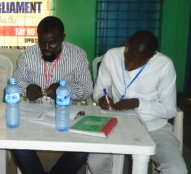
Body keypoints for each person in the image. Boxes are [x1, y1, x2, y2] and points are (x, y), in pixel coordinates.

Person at [88, 30, 188, 174]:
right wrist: (101, 98)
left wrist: (138, 103)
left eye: (138, 63)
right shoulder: (111, 56)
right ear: (126, 44)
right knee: (95, 161)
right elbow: (98, 91)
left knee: (176, 170)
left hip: (153, 127)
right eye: (128, 59)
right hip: (116, 123)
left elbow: (170, 109)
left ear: (151, 56)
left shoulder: (164, 65)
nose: (130, 65)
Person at [11, 16, 93, 174]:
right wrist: (26, 87)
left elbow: (87, 89)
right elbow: (17, 82)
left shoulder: (77, 55)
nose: (46, 47)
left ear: (63, 38)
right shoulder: (28, 55)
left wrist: (66, 90)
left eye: (53, 42)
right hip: (34, 114)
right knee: (18, 147)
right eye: (42, 41)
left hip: (67, 114)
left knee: (81, 152)